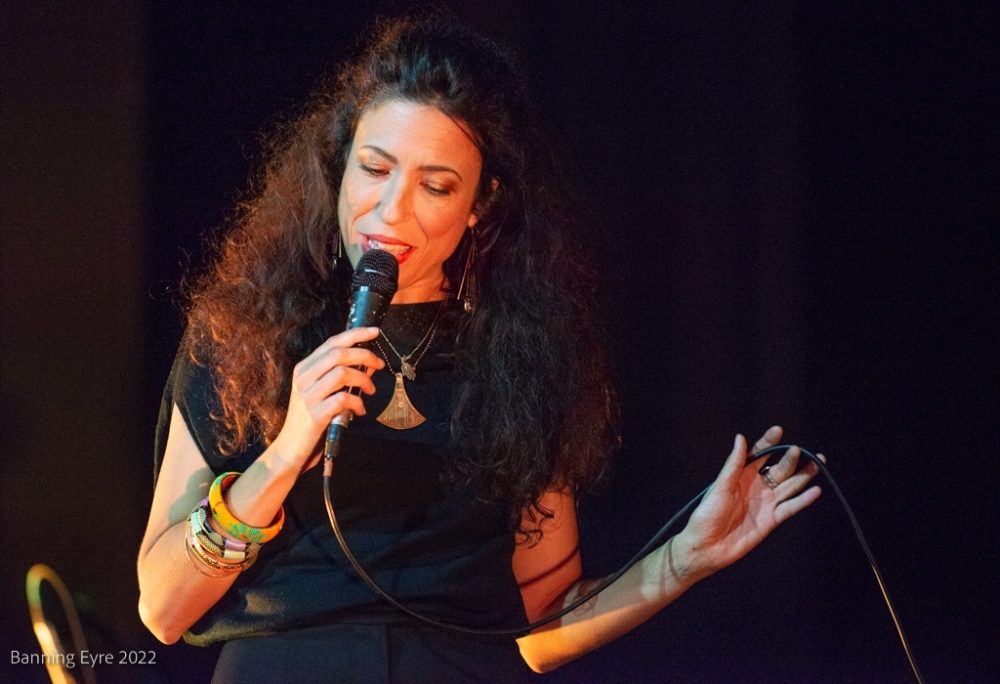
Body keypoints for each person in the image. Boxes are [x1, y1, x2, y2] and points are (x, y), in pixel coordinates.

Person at [137, 12, 823, 682]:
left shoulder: (519, 358)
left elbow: (542, 624)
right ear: (339, 167)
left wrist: (682, 560)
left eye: (435, 185)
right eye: (374, 168)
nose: (391, 210)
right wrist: (286, 452)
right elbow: (163, 610)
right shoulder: (246, 333)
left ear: (479, 204)